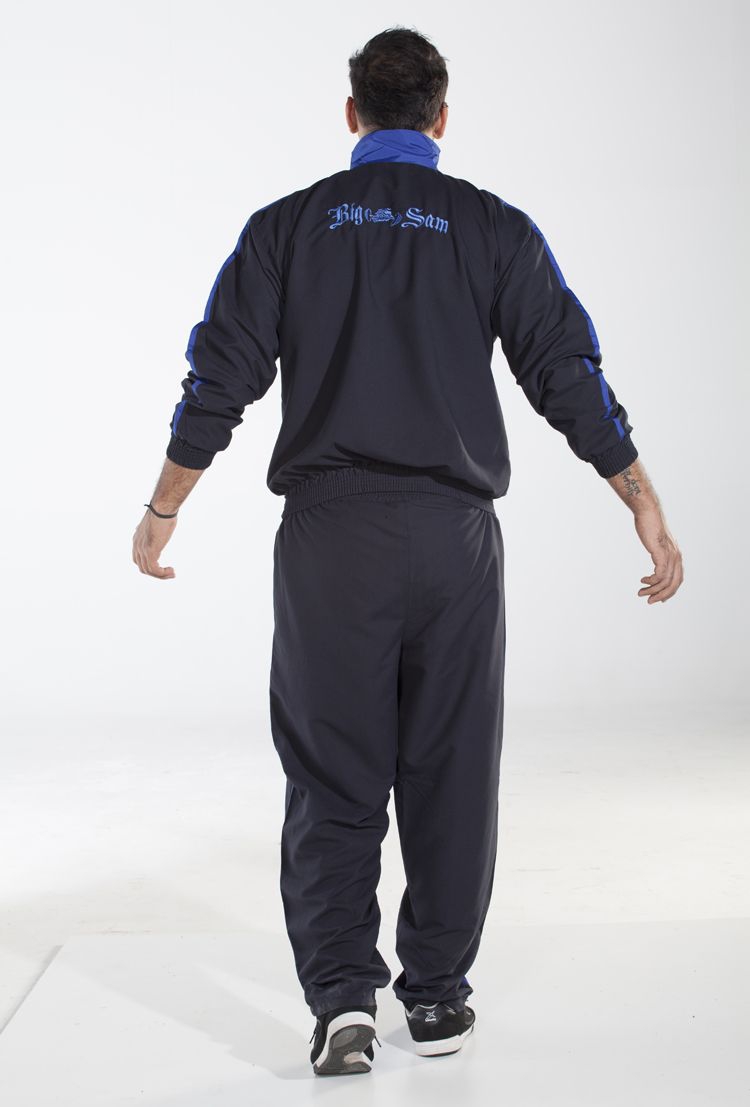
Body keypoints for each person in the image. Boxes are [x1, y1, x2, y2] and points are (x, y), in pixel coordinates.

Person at [132, 25, 684, 1077]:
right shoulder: (491, 227)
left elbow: (221, 374)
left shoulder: (288, 227)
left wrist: (166, 505)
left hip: (330, 540)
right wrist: (640, 499)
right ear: (441, 118)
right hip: (455, 541)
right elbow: (565, 370)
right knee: (452, 769)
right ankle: (435, 996)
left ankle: (343, 1001)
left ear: (353, 116)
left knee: (332, 772)